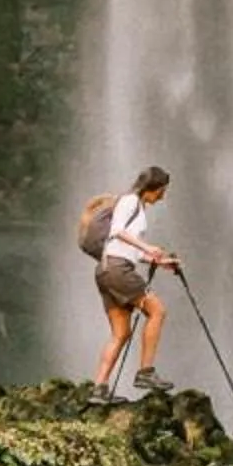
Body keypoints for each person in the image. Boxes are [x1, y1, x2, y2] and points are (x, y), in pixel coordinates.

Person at [92, 165, 182, 403]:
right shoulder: (130, 201)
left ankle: (99, 389)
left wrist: (158, 260)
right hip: (117, 270)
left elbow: (123, 246)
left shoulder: (136, 206)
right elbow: (117, 231)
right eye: (162, 190)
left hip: (109, 268)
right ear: (153, 188)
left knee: (121, 333)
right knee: (158, 311)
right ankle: (145, 373)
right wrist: (148, 247)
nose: (163, 195)